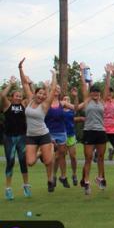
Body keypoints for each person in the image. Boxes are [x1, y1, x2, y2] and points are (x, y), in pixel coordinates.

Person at [19, 58, 58, 192]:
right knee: (30, 163)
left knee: (48, 162)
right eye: (39, 93)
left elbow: (53, 89)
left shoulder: (45, 105)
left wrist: (54, 75)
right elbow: (24, 84)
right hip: (31, 136)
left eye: (43, 94)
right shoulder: (30, 100)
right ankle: (42, 151)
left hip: (43, 135)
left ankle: (50, 179)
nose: (41, 95)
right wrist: (20, 69)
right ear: (35, 94)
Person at [76, 62, 108, 195]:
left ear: (99, 94)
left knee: (100, 157)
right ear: (91, 93)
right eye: (93, 92)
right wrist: (82, 71)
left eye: (97, 92)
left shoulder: (102, 101)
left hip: (100, 131)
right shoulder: (87, 100)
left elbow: (107, 88)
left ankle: (100, 178)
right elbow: (84, 85)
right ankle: (87, 182)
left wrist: (109, 74)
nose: (95, 93)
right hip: (89, 131)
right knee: (88, 157)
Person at [2, 76, 30, 200]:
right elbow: (2, 96)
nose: (18, 97)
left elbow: (30, 97)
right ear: (12, 97)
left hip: (22, 137)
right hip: (9, 138)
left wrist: (28, 83)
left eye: (20, 96)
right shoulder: (7, 105)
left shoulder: (24, 105)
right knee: (10, 162)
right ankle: (8, 189)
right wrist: (11, 84)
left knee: (23, 161)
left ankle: (26, 186)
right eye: (16, 95)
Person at [45, 83, 73, 188]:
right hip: (49, 133)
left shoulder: (63, 103)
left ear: (60, 91)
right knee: (51, 157)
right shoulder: (46, 102)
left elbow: (76, 107)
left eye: (58, 88)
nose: (56, 89)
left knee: (62, 156)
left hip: (61, 132)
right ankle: (51, 179)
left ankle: (63, 177)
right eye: (55, 88)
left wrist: (75, 97)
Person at [62, 88, 79, 186]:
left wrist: (75, 96)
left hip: (71, 135)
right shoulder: (59, 109)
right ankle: (62, 175)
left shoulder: (72, 110)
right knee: (61, 157)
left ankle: (74, 174)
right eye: (64, 99)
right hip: (61, 135)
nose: (66, 101)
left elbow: (76, 107)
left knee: (73, 156)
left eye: (68, 99)